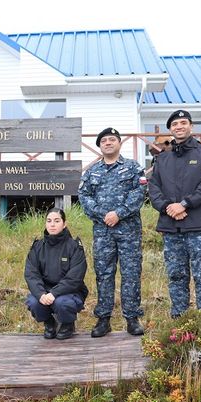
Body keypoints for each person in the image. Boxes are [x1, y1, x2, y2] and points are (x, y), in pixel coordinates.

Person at [148, 110, 201, 318]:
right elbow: (154, 188)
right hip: (171, 228)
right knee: (176, 275)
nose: (179, 126)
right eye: (174, 124)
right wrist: (168, 208)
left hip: (199, 225)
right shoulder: (162, 158)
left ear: (191, 126)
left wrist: (185, 204)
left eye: (183, 122)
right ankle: (180, 320)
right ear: (170, 129)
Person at [78, 127, 147, 338]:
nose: (108, 143)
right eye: (104, 141)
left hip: (128, 231)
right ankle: (103, 319)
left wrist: (119, 213)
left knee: (131, 273)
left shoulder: (133, 168)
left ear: (119, 143)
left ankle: (132, 318)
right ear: (100, 146)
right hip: (103, 232)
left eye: (112, 139)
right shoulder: (92, 172)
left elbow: (139, 193)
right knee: (104, 273)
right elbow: (84, 196)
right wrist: (103, 215)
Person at [24, 208, 88, 340]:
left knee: (62, 303)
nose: (52, 224)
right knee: (33, 302)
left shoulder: (74, 246)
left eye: (57, 221)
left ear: (64, 224)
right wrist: (41, 294)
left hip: (69, 292)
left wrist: (54, 293)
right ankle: (49, 323)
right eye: (49, 221)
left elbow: (75, 277)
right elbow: (31, 274)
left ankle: (67, 324)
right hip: (45, 291)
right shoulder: (37, 247)